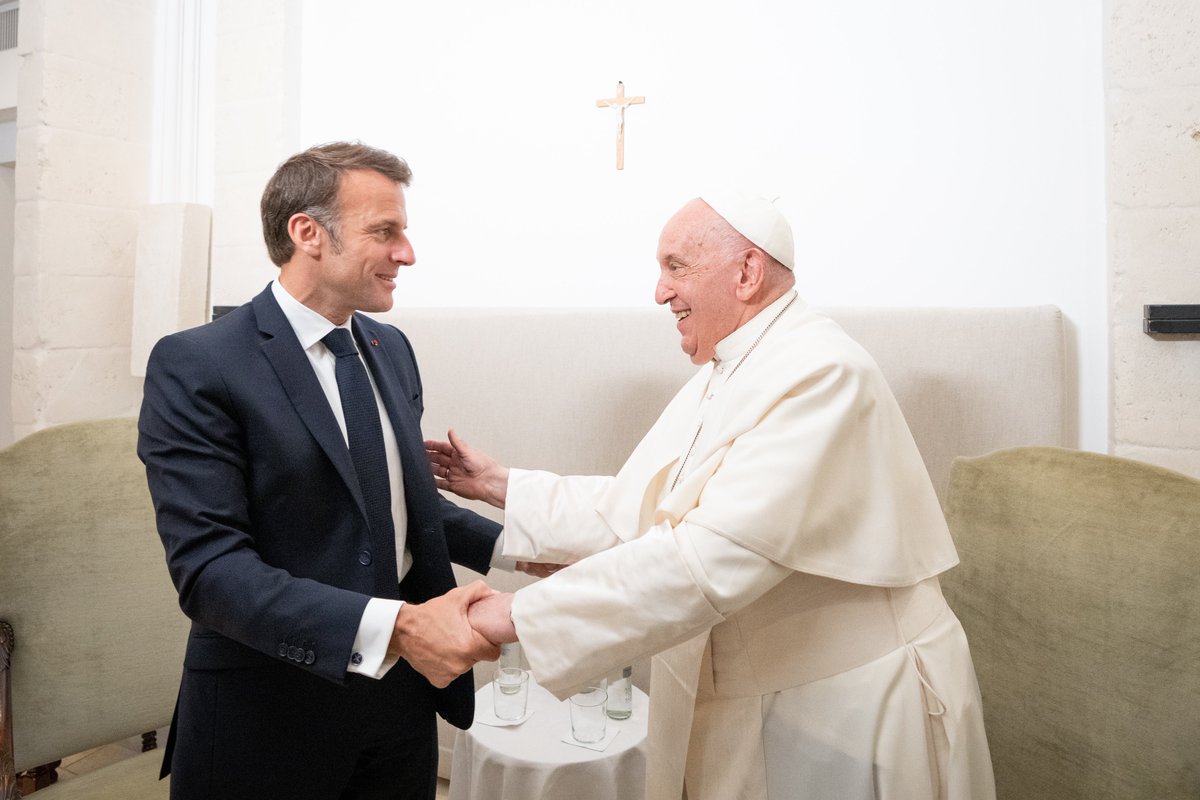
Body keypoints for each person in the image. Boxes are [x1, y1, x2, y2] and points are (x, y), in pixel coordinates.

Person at [428, 194, 997, 799]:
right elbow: (641, 509)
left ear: (747, 272)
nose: (659, 291)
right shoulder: (734, 366)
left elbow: (703, 558)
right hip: (755, 697)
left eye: (676, 266)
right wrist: (500, 486)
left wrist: (505, 618)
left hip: (842, 707)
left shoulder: (822, 373)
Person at [138, 142, 503, 800]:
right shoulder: (198, 365)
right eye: (385, 232)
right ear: (307, 233)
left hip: (400, 706)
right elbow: (212, 572)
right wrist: (400, 627)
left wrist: (530, 550)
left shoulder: (390, 348)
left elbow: (398, 509)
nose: (407, 254)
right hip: (271, 714)